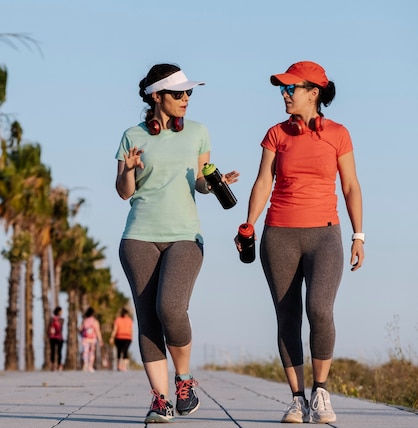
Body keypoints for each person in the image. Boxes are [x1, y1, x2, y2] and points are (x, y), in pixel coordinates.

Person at [236, 61, 364, 424]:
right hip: (279, 234)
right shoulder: (276, 133)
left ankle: (321, 392)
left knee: (319, 309)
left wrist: (358, 234)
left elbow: (351, 186)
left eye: (291, 89)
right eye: (282, 89)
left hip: (325, 234)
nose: (285, 95)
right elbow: (263, 182)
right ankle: (297, 399)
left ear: (314, 93)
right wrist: (249, 223)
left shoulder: (338, 133)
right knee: (287, 316)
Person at [115, 63, 239, 423]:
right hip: (138, 236)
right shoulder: (131, 136)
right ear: (157, 97)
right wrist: (126, 170)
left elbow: (200, 181)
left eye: (189, 93)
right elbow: (125, 193)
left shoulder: (198, 132)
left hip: (185, 235)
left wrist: (215, 182)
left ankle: (184, 380)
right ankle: (160, 400)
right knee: (148, 319)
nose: (186, 99)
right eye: (178, 93)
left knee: (170, 307)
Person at [80, 307, 103, 373]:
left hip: (85, 339)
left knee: (85, 352)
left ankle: (85, 365)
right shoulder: (95, 321)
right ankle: (90, 366)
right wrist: (100, 340)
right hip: (93, 339)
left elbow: (80, 329)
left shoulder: (85, 321)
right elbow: (98, 331)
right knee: (91, 352)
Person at [47, 306, 64, 371]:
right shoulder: (61, 320)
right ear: (59, 312)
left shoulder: (52, 319)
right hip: (59, 337)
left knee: (53, 351)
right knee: (59, 352)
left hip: (52, 337)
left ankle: (52, 365)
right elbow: (61, 328)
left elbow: (49, 328)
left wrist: (48, 335)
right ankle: (59, 365)